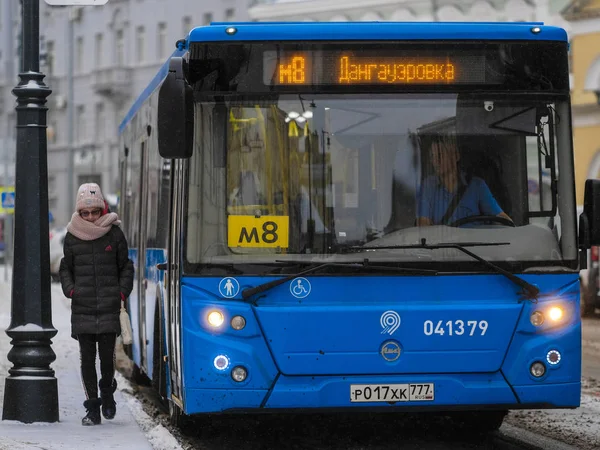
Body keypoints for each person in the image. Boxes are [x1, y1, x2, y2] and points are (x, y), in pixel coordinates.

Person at [59, 183, 134, 426]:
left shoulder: (114, 233)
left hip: (109, 306)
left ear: (102, 209)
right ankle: (93, 408)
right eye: (85, 212)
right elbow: (65, 269)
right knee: (86, 359)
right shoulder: (71, 236)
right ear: (79, 212)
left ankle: (108, 393)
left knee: (107, 357)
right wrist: (71, 290)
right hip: (83, 307)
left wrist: (121, 292)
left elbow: (126, 267)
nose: (90, 217)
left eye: (94, 212)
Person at [416, 134, 512, 226]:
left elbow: (501, 218)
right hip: (443, 242)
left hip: (474, 242)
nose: (435, 161)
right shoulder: (428, 187)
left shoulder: (477, 185)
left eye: (440, 155)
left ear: (456, 156)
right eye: (432, 156)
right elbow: (424, 225)